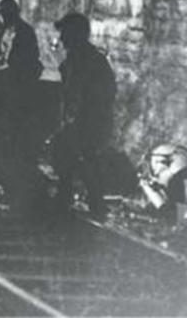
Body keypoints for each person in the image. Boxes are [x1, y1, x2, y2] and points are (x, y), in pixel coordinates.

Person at [47, 12, 115, 220]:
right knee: (65, 151)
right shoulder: (75, 60)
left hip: (92, 123)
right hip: (81, 122)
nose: (62, 38)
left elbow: (100, 95)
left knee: (80, 156)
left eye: (66, 33)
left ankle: (92, 201)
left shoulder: (92, 61)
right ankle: (73, 196)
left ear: (77, 34)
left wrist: (78, 121)